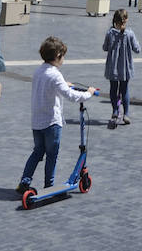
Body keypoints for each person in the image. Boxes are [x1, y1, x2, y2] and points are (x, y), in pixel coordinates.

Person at [17, 37, 97, 194]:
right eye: (63, 56)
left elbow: (49, 86)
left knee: (38, 152)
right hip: (51, 122)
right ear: (58, 55)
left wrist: (63, 84)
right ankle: (49, 186)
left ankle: (24, 182)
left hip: (37, 121)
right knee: (52, 155)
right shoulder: (55, 75)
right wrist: (89, 93)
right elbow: (72, 96)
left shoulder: (39, 70)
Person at [102, 8, 141, 128]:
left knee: (113, 89)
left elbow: (105, 47)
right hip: (125, 67)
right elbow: (137, 49)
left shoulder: (110, 33)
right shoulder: (130, 33)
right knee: (124, 89)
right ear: (126, 20)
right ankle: (126, 114)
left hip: (112, 66)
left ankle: (115, 110)